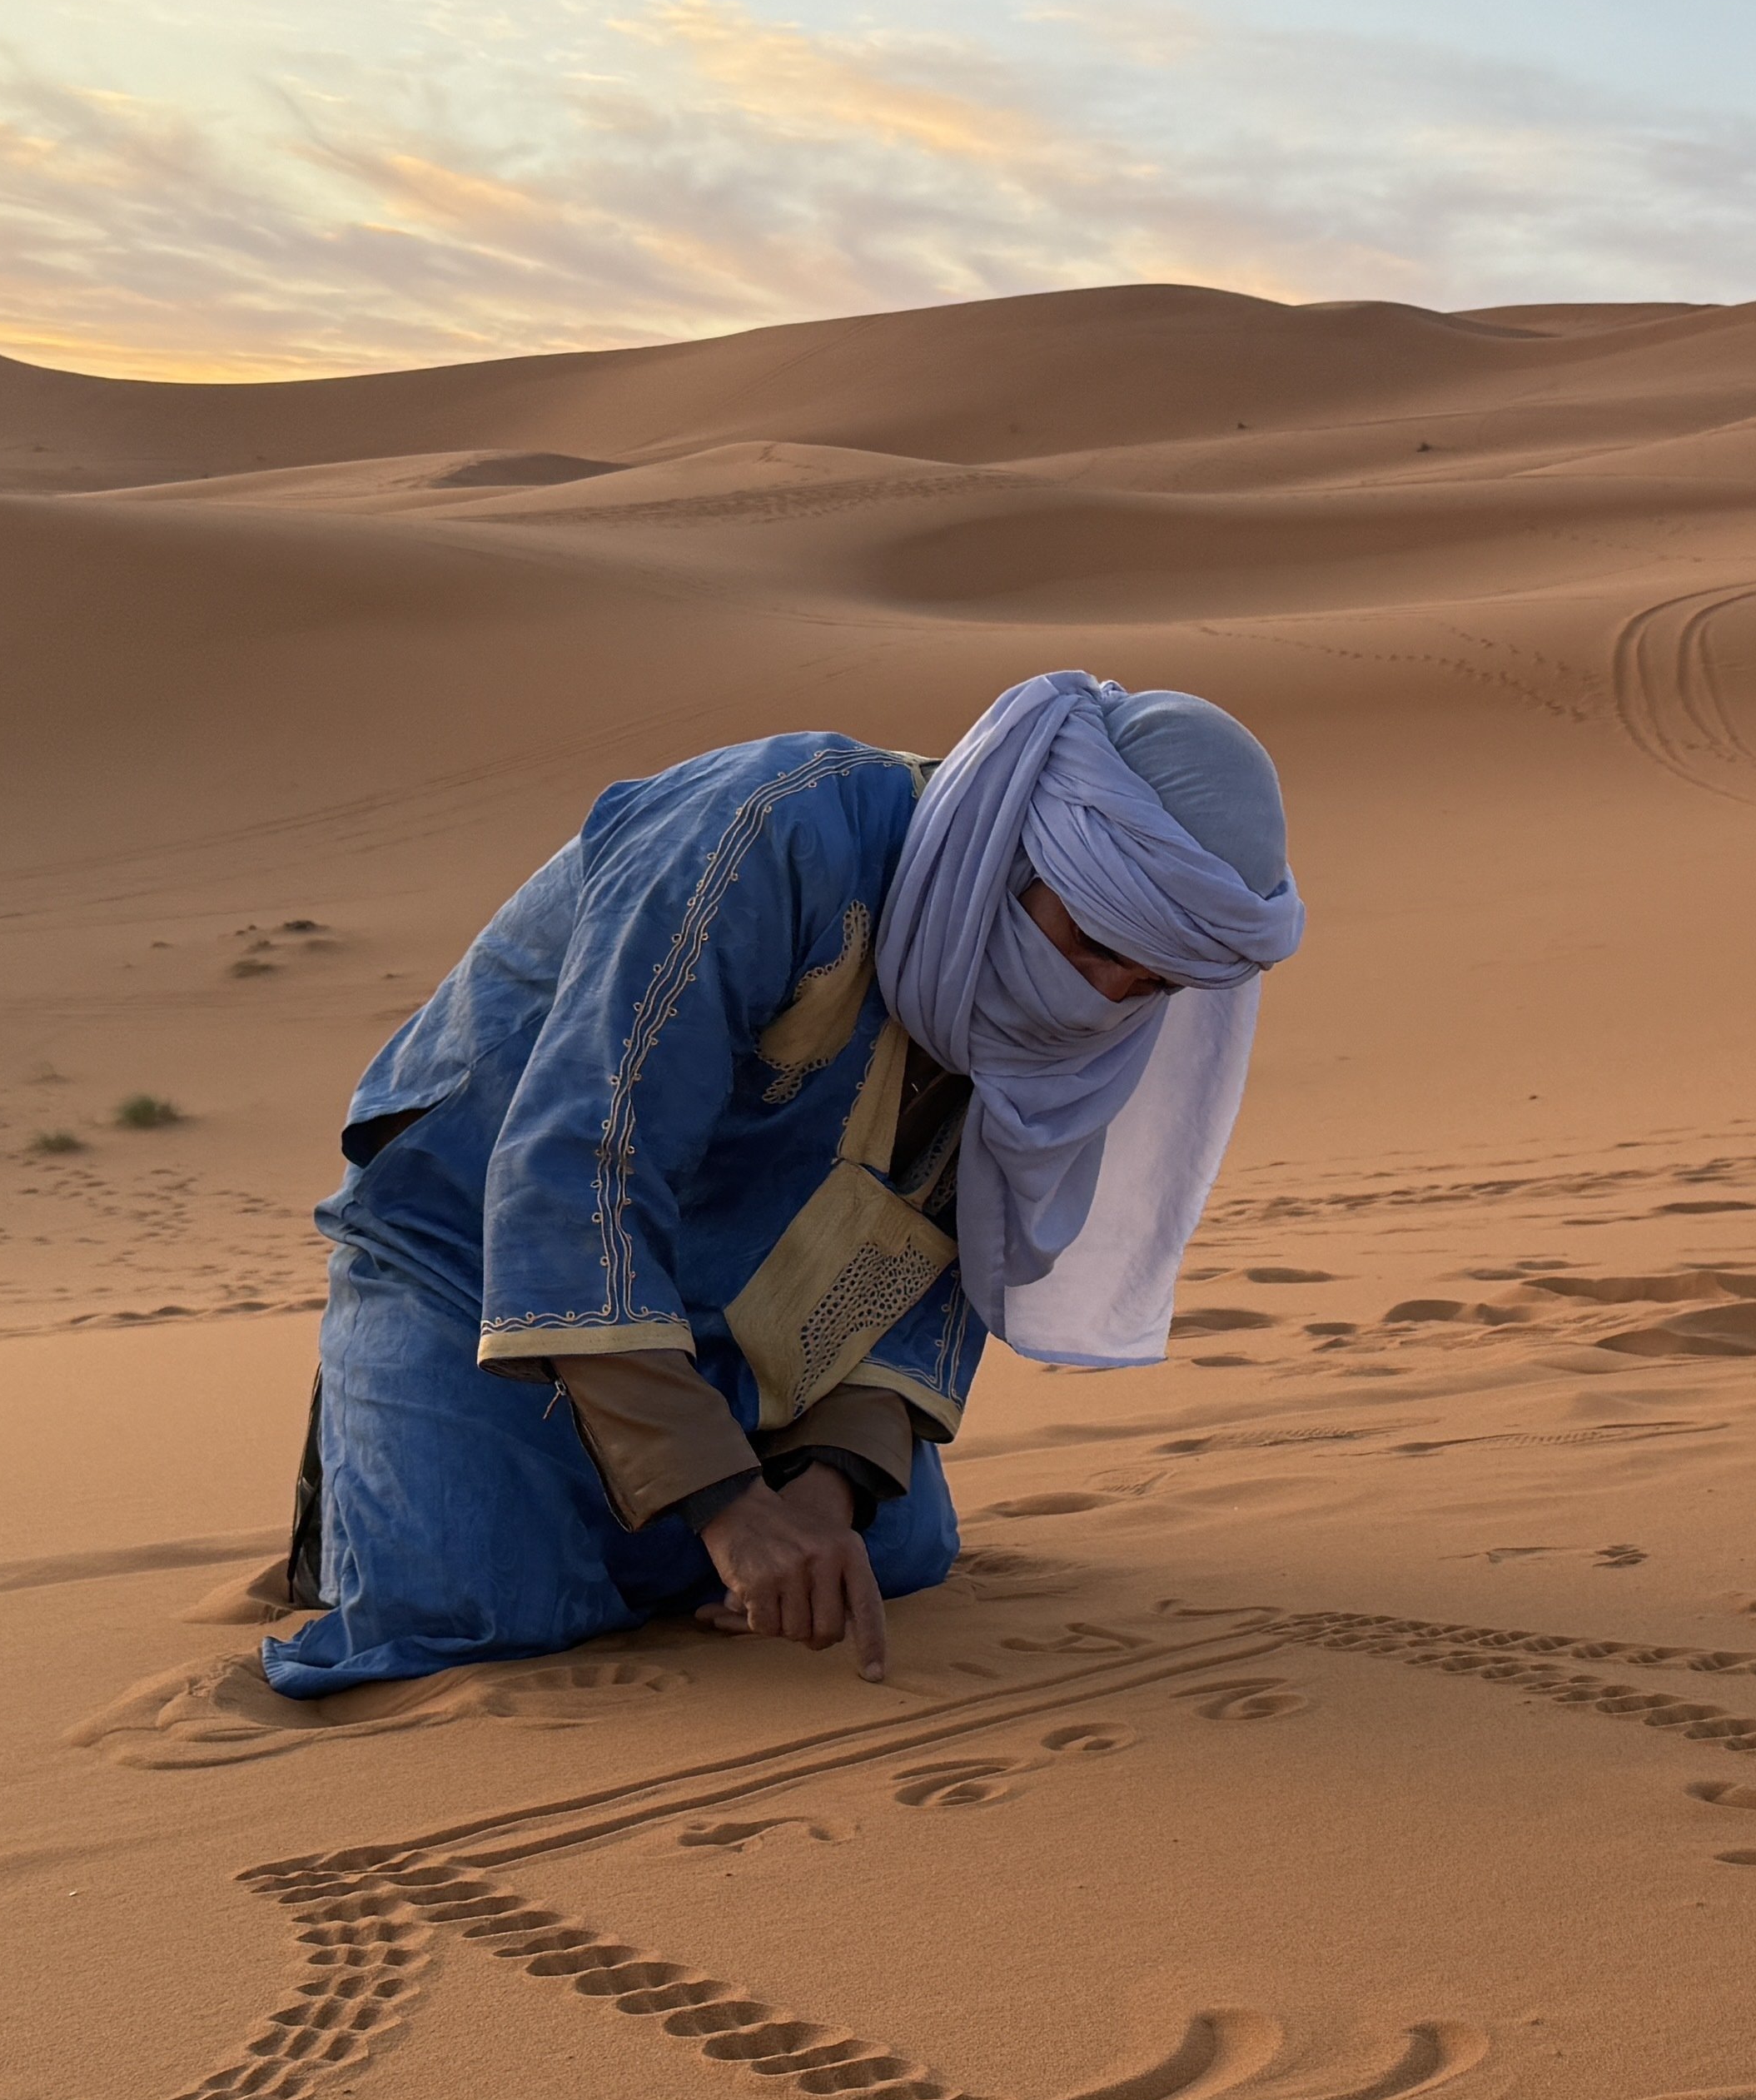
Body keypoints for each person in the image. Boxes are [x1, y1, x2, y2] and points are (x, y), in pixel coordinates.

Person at [262, 671, 1302, 1697]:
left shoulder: (1063, 1016)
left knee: (892, 1556)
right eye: (1097, 943)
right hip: (472, 1262)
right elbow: (581, 1157)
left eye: (1155, 983)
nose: (1108, 997)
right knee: (477, 1613)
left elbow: (951, 1237)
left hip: (756, 1315)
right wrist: (728, 1505)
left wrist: (824, 1490)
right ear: (1012, 854)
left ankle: (605, 1489)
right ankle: (400, 1485)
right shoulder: (771, 835)